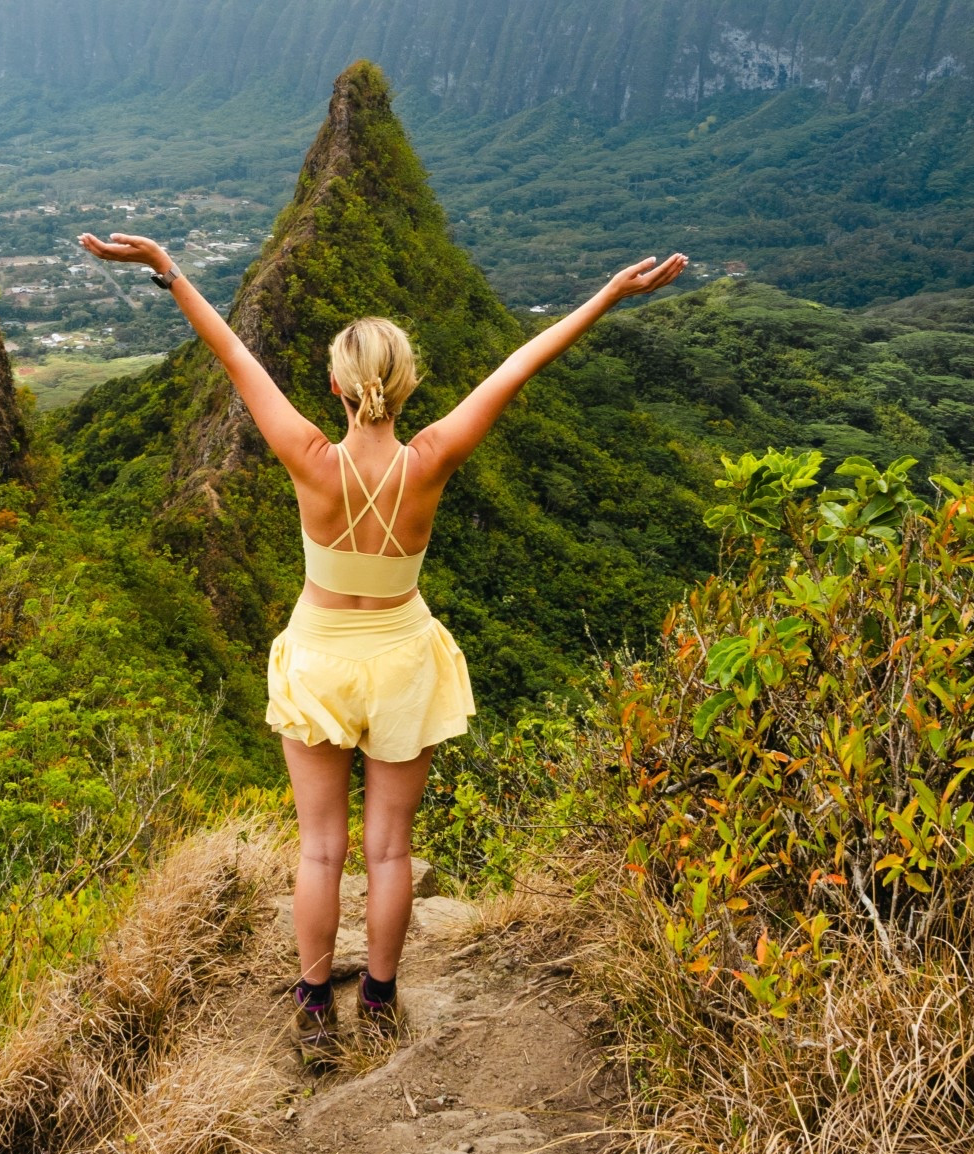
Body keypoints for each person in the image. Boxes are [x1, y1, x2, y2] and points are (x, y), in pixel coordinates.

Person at [79, 227, 687, 1059]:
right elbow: (519, 366)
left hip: (321, 659)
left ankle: (313, 1005)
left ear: (334, 385)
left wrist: (168, 272)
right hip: (401, 657)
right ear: (407, 387)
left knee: (321, 848)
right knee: (390, 847)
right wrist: (608, 295)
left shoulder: (308, 458)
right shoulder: (432, 456)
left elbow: (230, 353)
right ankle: (378, 998)